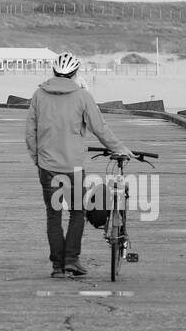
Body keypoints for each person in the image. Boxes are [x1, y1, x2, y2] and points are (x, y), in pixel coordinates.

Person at [26, 51, 131, 279]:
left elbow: (30, 133)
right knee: (76, 212)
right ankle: (72, 260)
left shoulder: (38, 95)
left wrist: (38, 159)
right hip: (73, 167)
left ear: (54, 72)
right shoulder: (83, 96)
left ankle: (57, 266)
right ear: (74, 73)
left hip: (47, 166)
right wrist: (119, 147)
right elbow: (99, 127)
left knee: (53, 215)